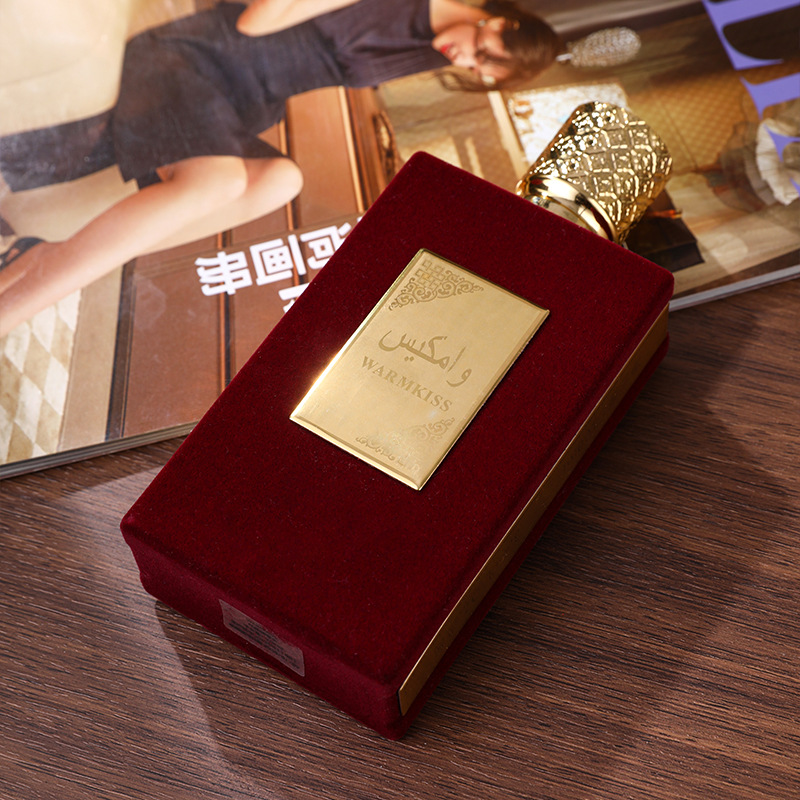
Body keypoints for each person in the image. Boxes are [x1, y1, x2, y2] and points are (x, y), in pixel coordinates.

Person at [0, 0, 561, 337]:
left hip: (241, 99)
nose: (465, 62)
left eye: (478, 73)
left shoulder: (426, 46)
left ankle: (54, 257)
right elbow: (254, 22)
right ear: (499, 22)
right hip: (199, 55)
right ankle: (32, 284)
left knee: (282, 180)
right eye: (481, 54)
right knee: (218, 179)